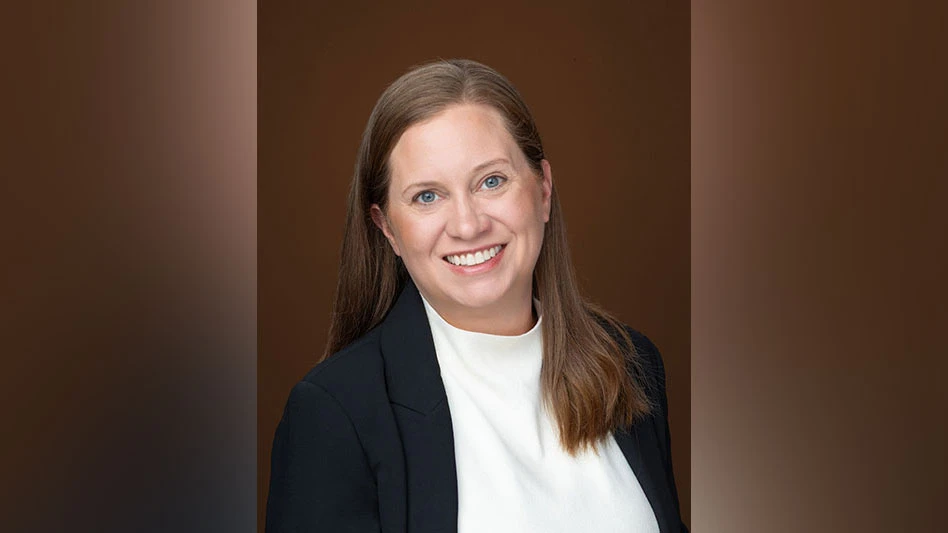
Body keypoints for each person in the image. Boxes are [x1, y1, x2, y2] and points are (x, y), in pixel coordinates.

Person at [265, 58, 688, 533]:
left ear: (543, 190)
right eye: (427, 196)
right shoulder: (336, 414)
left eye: (492, 181)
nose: (468, 225)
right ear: (387, 228)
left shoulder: (631, 364)